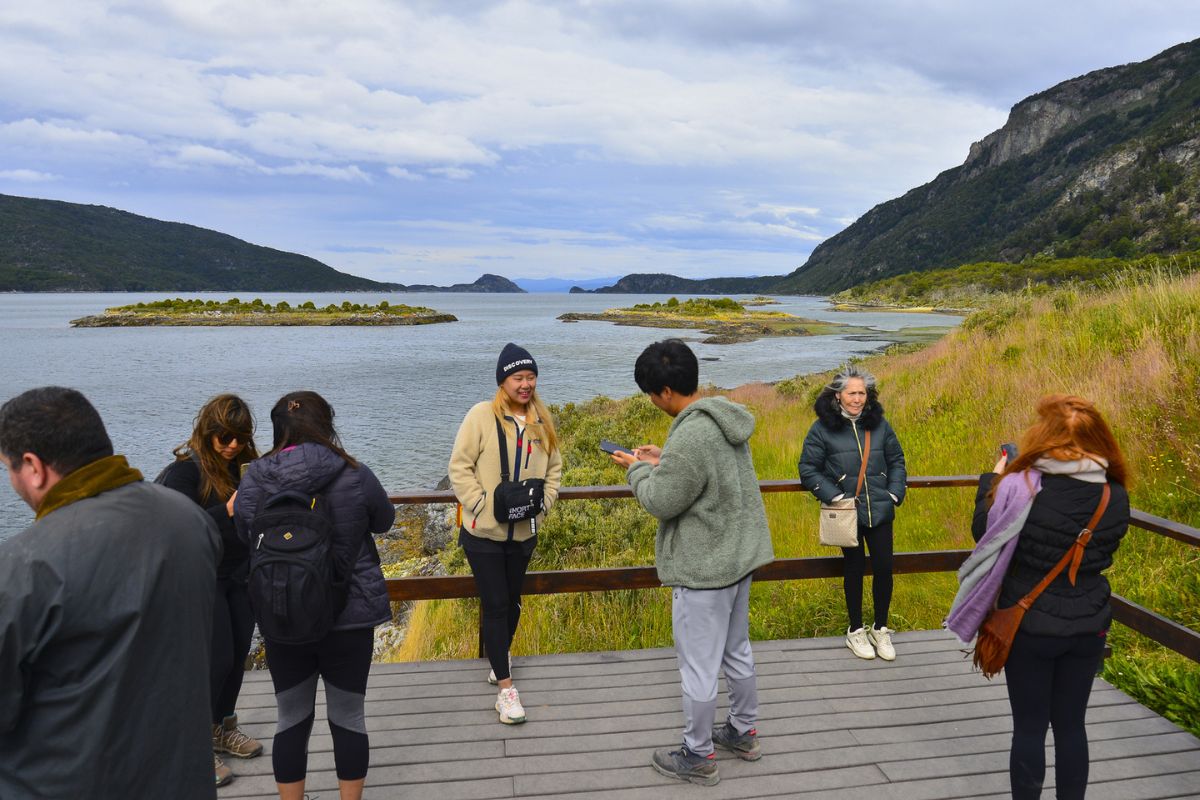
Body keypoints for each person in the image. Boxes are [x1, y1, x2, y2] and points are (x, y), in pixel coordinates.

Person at [0, 387, 220, 800]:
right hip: (181, 780)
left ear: (32, 466)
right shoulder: (190, 521)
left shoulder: (22, 565)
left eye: (7, 468)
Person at [610, 339, 775, 787]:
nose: (651, 400)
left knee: (698, 666)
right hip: (739, 558)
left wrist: (636, 469)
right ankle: (743, 732)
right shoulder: (722, 417)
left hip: (706, 568)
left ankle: (698, 755)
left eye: (650, 392)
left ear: (665, 391)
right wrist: (665, 459)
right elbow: (711, 473)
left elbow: (662, 501)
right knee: (737, 651)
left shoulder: (691, 432)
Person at [952, 395, 1130, 800]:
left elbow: (985, 533)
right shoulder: (1114, 493)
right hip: (1089, 620)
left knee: (1030, 727)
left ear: (1044, 437)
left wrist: (991, 481)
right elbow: (1105, 549)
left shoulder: (1024, 485)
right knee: (1071, 726)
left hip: (1028, 620)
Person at [234, 391, 395, 800]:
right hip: (350, 615)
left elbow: (245, 533)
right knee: (348, 717)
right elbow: (384, 520)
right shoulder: (353, 472)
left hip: (283, 611)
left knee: (291, 718)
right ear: (327, 425)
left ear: (278, 428)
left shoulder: (255, 476)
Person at [448, 342, 562, 725]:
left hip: (524, 532)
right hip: (483, 534)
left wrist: (545, 503)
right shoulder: (481, 416)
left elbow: (555, 468)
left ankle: (498, 661)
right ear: (503, 381)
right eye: (518, 378)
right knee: (496, 605)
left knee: (513, 604)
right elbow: (459, 467)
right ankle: (506, 690)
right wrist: (479, 506)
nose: (525, 384)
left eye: (530, 377)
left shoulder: (541, 421)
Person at [160, 394, 263, 787]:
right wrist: (230, 510)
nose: (232, 444)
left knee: (237, 655)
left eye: (239, 436)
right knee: (215, 660)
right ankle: (195, 745)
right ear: (206, 431)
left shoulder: (244, 468)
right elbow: (176, 526)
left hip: (239, 575)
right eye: (223, 436)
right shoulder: (184, 472)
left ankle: (222, 729)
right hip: (201, 579)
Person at [798, 364, 906, 661]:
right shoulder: (822, 428)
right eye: (852, 393)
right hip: (847, 512)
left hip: (881, 510)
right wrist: (835, 496)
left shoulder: (880, 425)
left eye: (862, 393)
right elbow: (808, 469)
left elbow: (897, 459)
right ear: (837, 396)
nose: (858, 399)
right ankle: (856, 631)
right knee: (854, 570)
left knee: (884, 568)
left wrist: (894, 493)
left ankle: (880, 629)